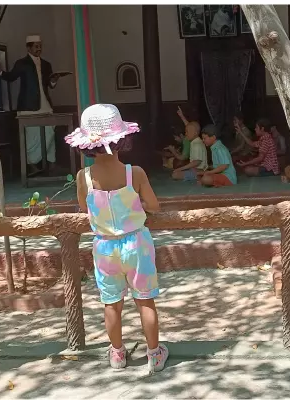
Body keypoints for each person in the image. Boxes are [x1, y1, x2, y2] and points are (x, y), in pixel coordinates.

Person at [68, 104, 169, 373]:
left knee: (111, 303)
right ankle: (154, 354)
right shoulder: (134, 173)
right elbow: (154, 205)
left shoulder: (83, 177)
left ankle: (117, 354)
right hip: (136, 243)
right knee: (145, 300)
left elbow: (83, 206)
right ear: (121, 139)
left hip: (103, 247)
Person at [0, 35, 63, 176]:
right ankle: (32, 165)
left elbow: (50, 85)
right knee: (31, 138)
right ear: (28, 48)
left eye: (40, 46)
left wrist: (54, 81)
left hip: (45, 105)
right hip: (27, 106)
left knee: (50, 132)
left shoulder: (47, 64)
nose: (39, 49)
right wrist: (0, 72)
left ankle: (51, 163)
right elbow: (11, 77)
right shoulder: (22, 63)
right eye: (36, 46)